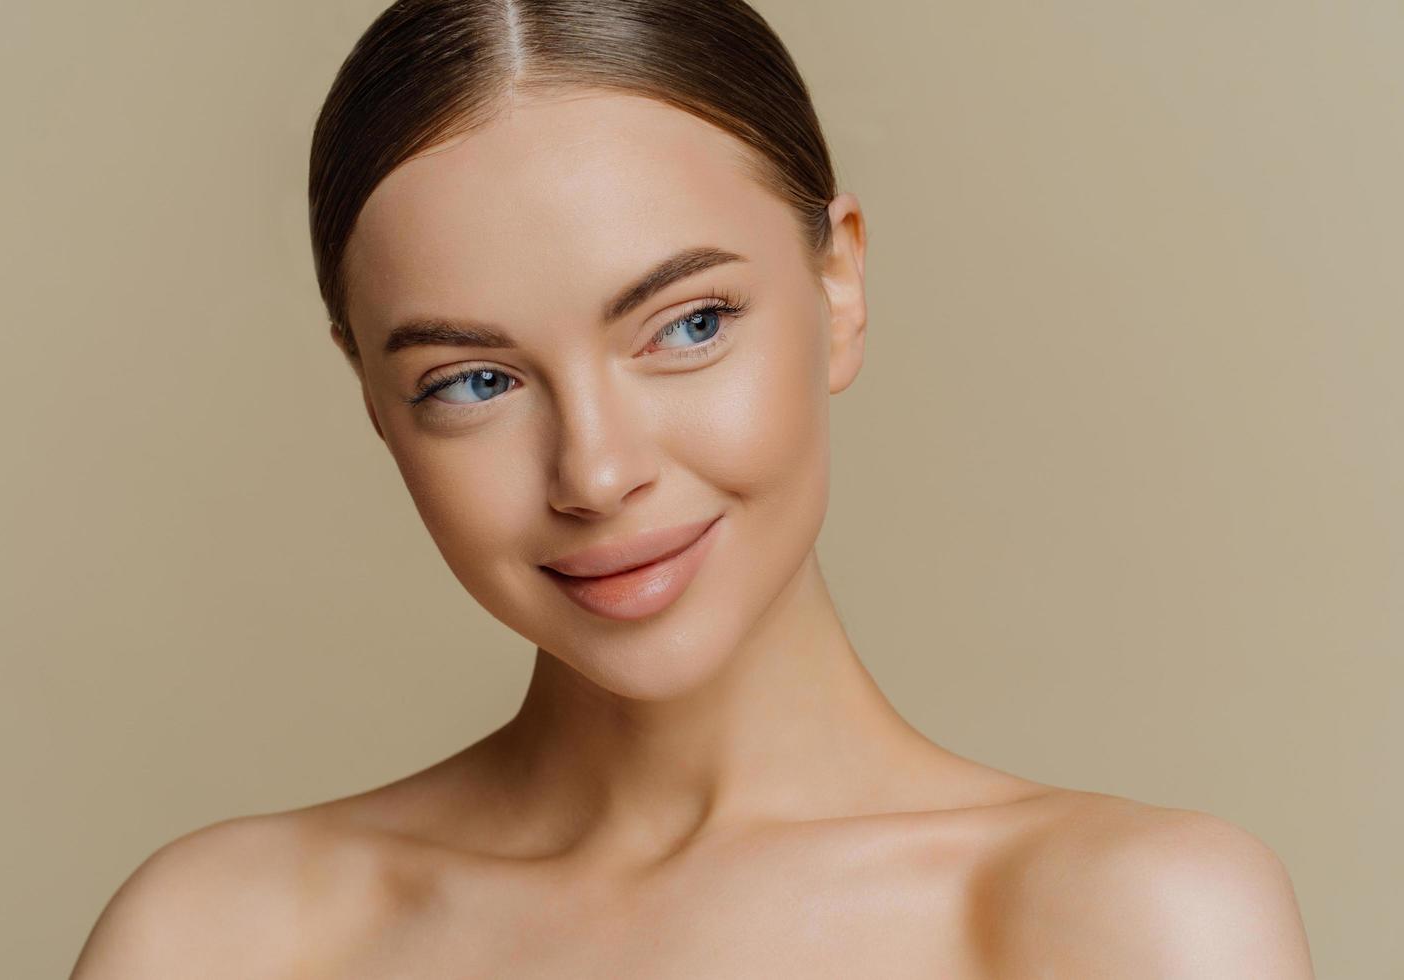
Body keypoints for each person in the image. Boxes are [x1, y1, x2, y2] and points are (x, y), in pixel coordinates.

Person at [71, 1, 1314, 975]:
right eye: (474, 382)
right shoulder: (218, 940)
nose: (599, 472)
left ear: (840, 291)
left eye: (690, 322)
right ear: (373, 402)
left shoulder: (1133, 924)